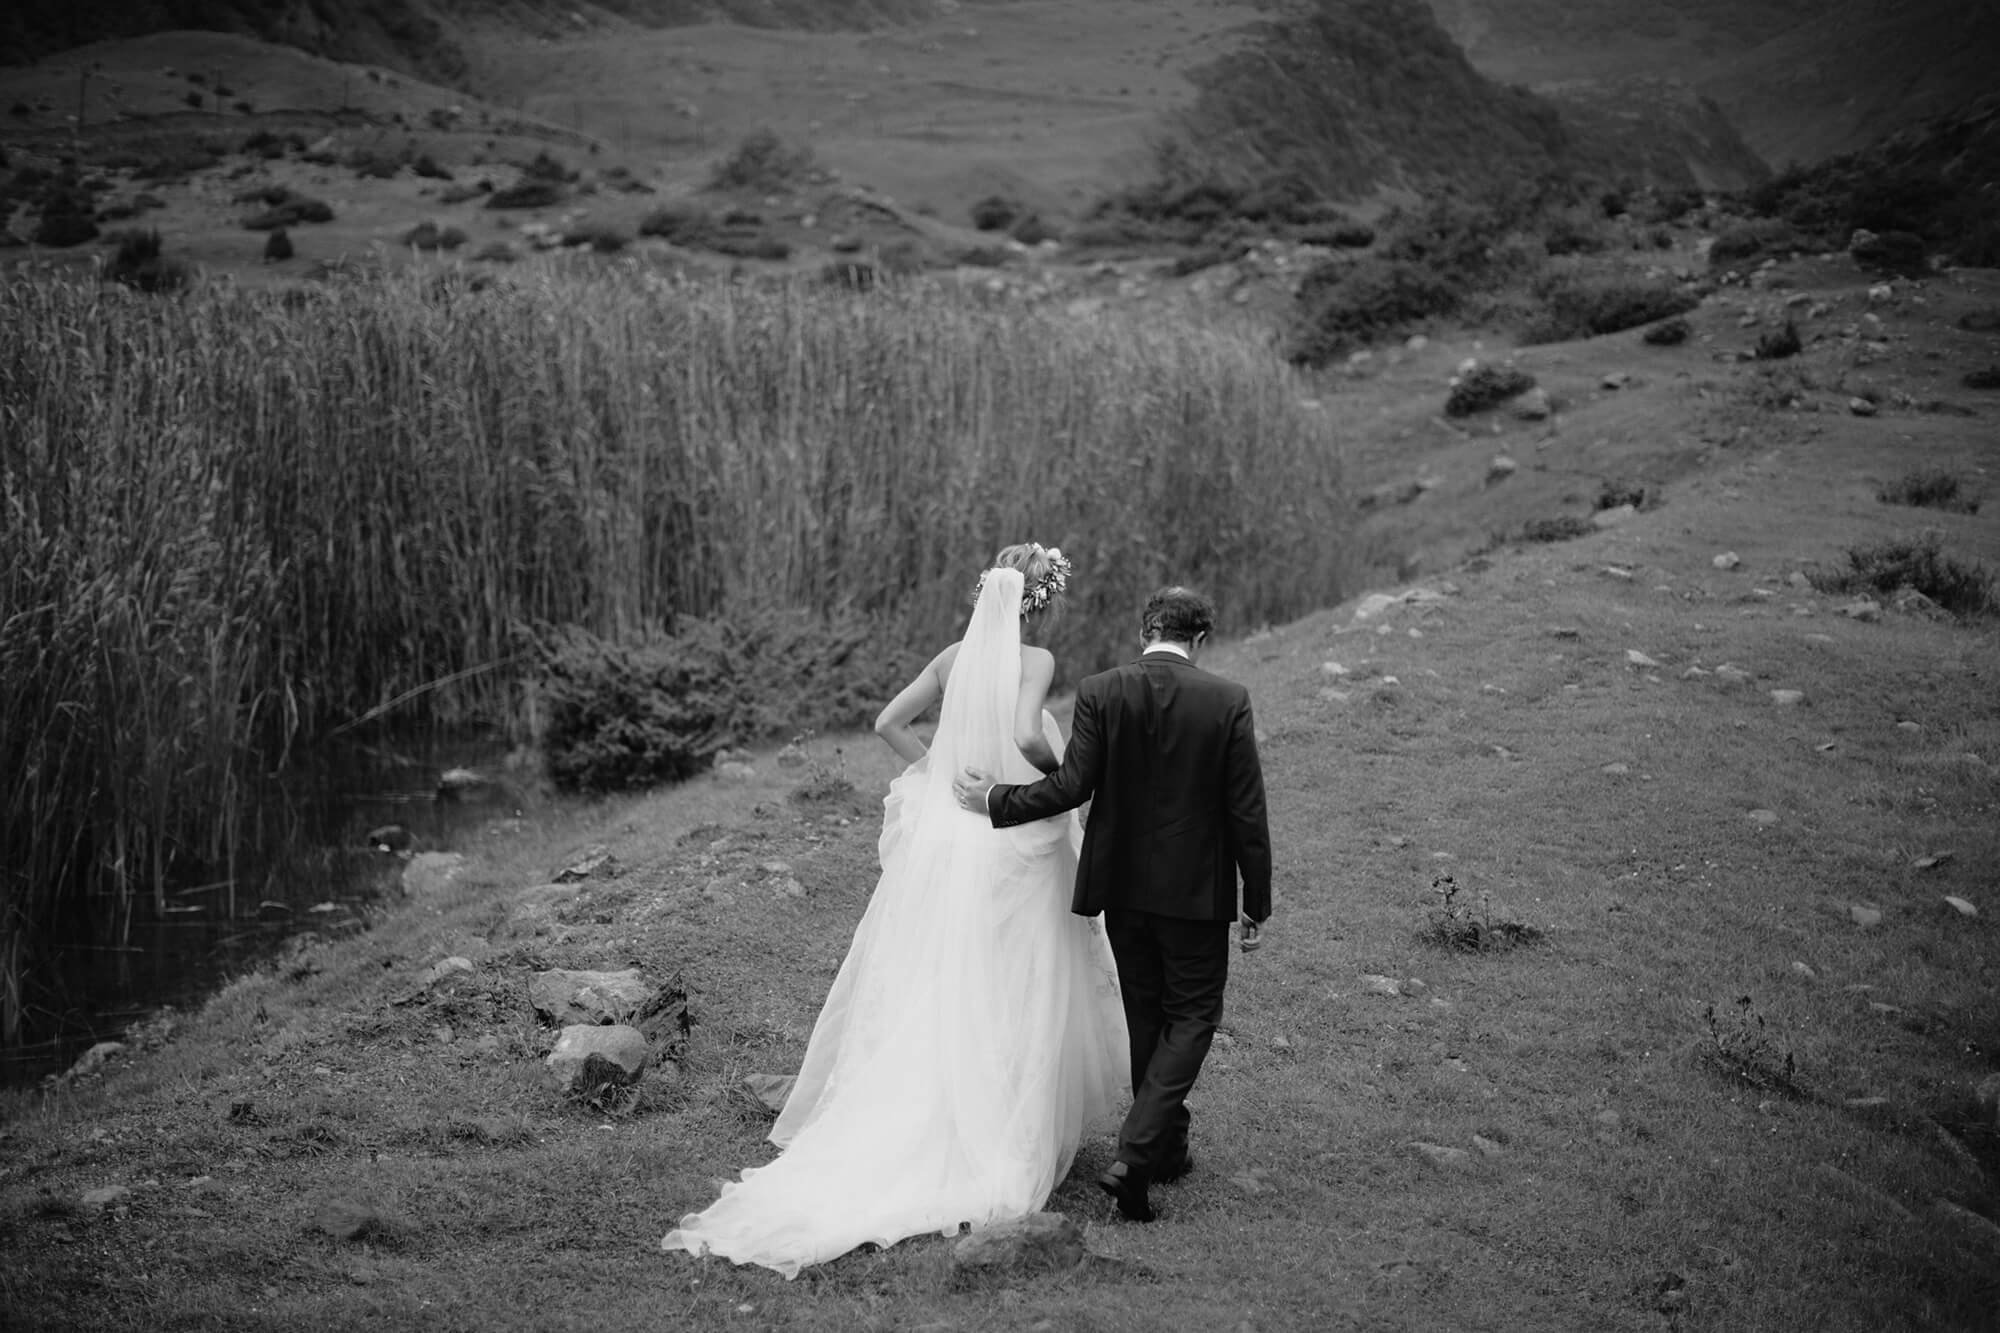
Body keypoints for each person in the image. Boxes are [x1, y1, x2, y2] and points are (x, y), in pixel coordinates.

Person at [661, 544, 1127, 1278]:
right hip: (1009, 832)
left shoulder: (950, 657)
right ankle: (1002, 1118)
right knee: (1017, 975)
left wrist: (933, 770)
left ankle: (928, 1096)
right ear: (1042, 603)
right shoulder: (1033, 661)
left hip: (948, 833)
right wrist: (1064, 778)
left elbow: (885, 721)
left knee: (940, 971)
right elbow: (1032, 735)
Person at [953, 585, 1271, 1224]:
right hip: (1196, 895)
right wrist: (1255, 901)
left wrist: (995, 800)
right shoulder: (1227, 701)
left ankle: (1166, 1146)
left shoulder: (1101, 690)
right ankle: (1133, 1154)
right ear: (1200, 639)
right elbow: (1246, 811)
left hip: (1120, 890)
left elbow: (1072, 785)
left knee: (1147, 1017)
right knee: (1193, 1018)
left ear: (1145, 629)